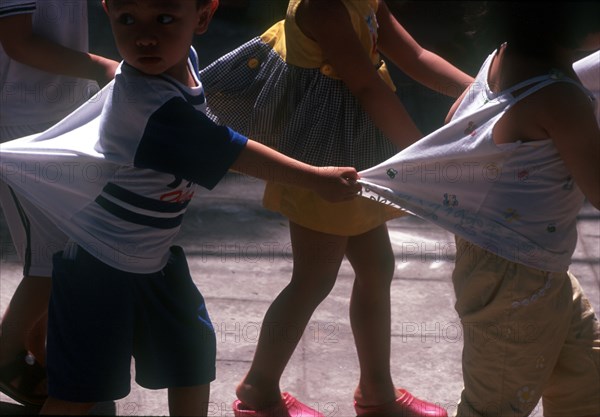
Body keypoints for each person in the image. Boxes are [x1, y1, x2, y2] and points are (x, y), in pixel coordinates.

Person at [0, 0, 362, 415]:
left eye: (165, 19)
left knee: (191, 360)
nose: (145, 36)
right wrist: (315, 178)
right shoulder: (145, 102)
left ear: (203, 17)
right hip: (98, 270)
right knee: (80, 391)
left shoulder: (181, 62)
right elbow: (230, 150)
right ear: (108, 12)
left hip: (155, 260)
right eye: (127, 19)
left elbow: (225, 88)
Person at [199, 1, 473, 416]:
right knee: (312, 278)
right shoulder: (324, 8)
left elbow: (415, 57)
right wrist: (424, 160)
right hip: (321, 163)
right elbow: (367, 86)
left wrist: (483, 93)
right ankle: (258, 388)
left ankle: (376, 392)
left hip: (353, 148)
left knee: (376, 267)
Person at [358, 2, 600, 416]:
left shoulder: (502, 58)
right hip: (519, 281)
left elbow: (460, 118)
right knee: (493, 405)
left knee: (587, 372)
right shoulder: (561, 98)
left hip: (519, 266)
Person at [0, 0, 119, 408]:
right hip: (19, 127)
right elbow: (18, 41)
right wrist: (103, 68)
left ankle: (40, 350)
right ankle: (5, 354)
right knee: (51, 261)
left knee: (66, 252)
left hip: (63, 114)